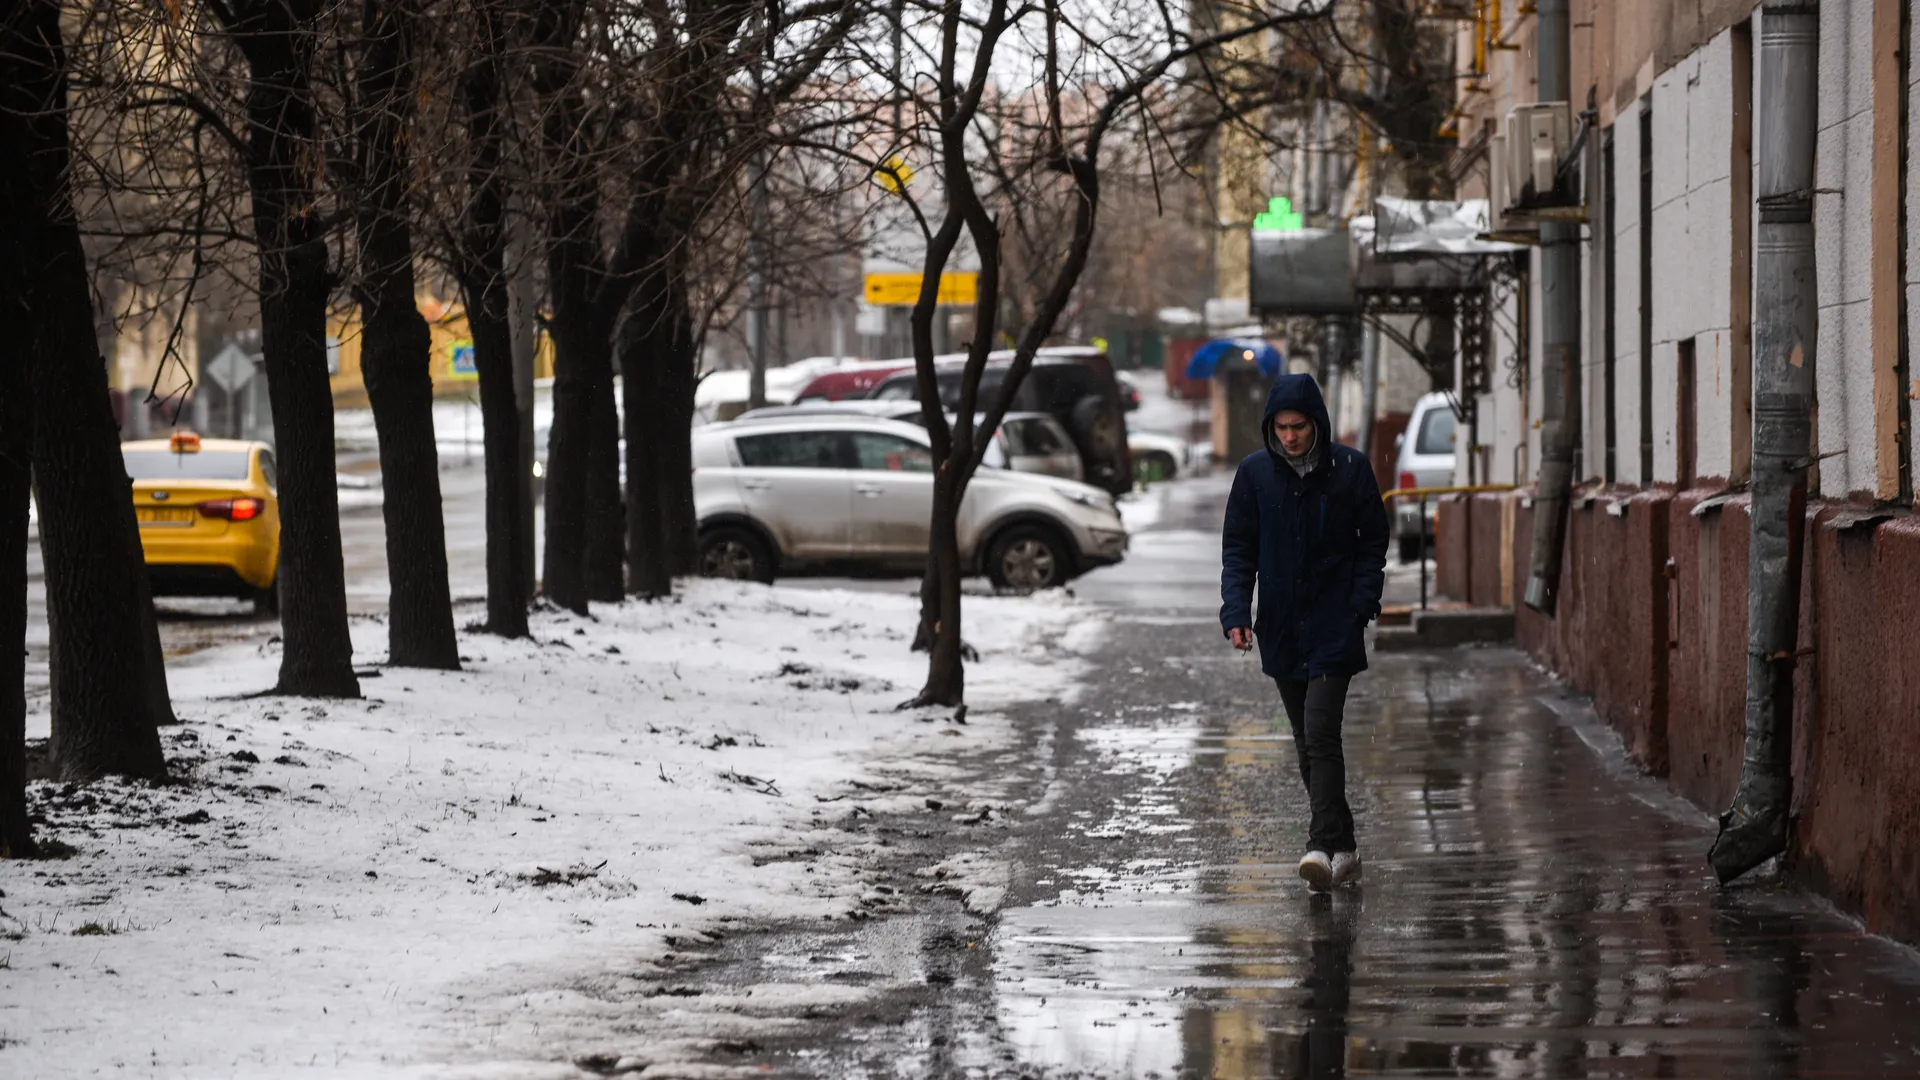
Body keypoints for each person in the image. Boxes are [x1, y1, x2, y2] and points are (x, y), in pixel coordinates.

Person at [1220, 373, 1389, 893]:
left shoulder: (1349, 470)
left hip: (1335, 623)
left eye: (1299, 426)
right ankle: (1345, 847)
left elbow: (1373, 541)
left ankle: (1319, 845)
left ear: (1316, 423)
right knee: (1304, 744)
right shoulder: (1254, 475)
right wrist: (1236, 612)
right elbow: (1239, 549)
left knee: (1321, 733)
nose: (1290, 437)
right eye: (1281, 427)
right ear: (1270, 427)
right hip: (1282, 625)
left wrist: (1361, 603)